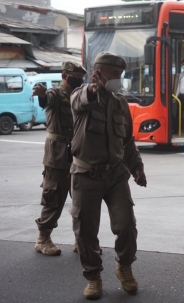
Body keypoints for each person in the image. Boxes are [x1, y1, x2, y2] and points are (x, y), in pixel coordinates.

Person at [70, 52, 147, 300]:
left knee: (126, 225)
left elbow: (127, 141)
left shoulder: (120, 103)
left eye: (120, 75)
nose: (118, 80)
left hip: (115, 175)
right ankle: (93, 276)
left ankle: (124, 266)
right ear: (99, 73)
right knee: (85, 231)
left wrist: (137, 167)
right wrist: (94, 89)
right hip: (86, 174)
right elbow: (81, 101)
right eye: (114, 75)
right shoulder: (81, 95)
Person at [32, 61, 86, 256]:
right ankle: (43, 239)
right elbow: (47, 99)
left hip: (78, 152)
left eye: (81, 78)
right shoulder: (56, 94)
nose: (79, 81)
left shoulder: (79, 95)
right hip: (57, 153)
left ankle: (81, 241)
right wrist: (42, 94)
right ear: (64, 76)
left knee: (81, 199)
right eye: (75, 78)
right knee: (53, 196)